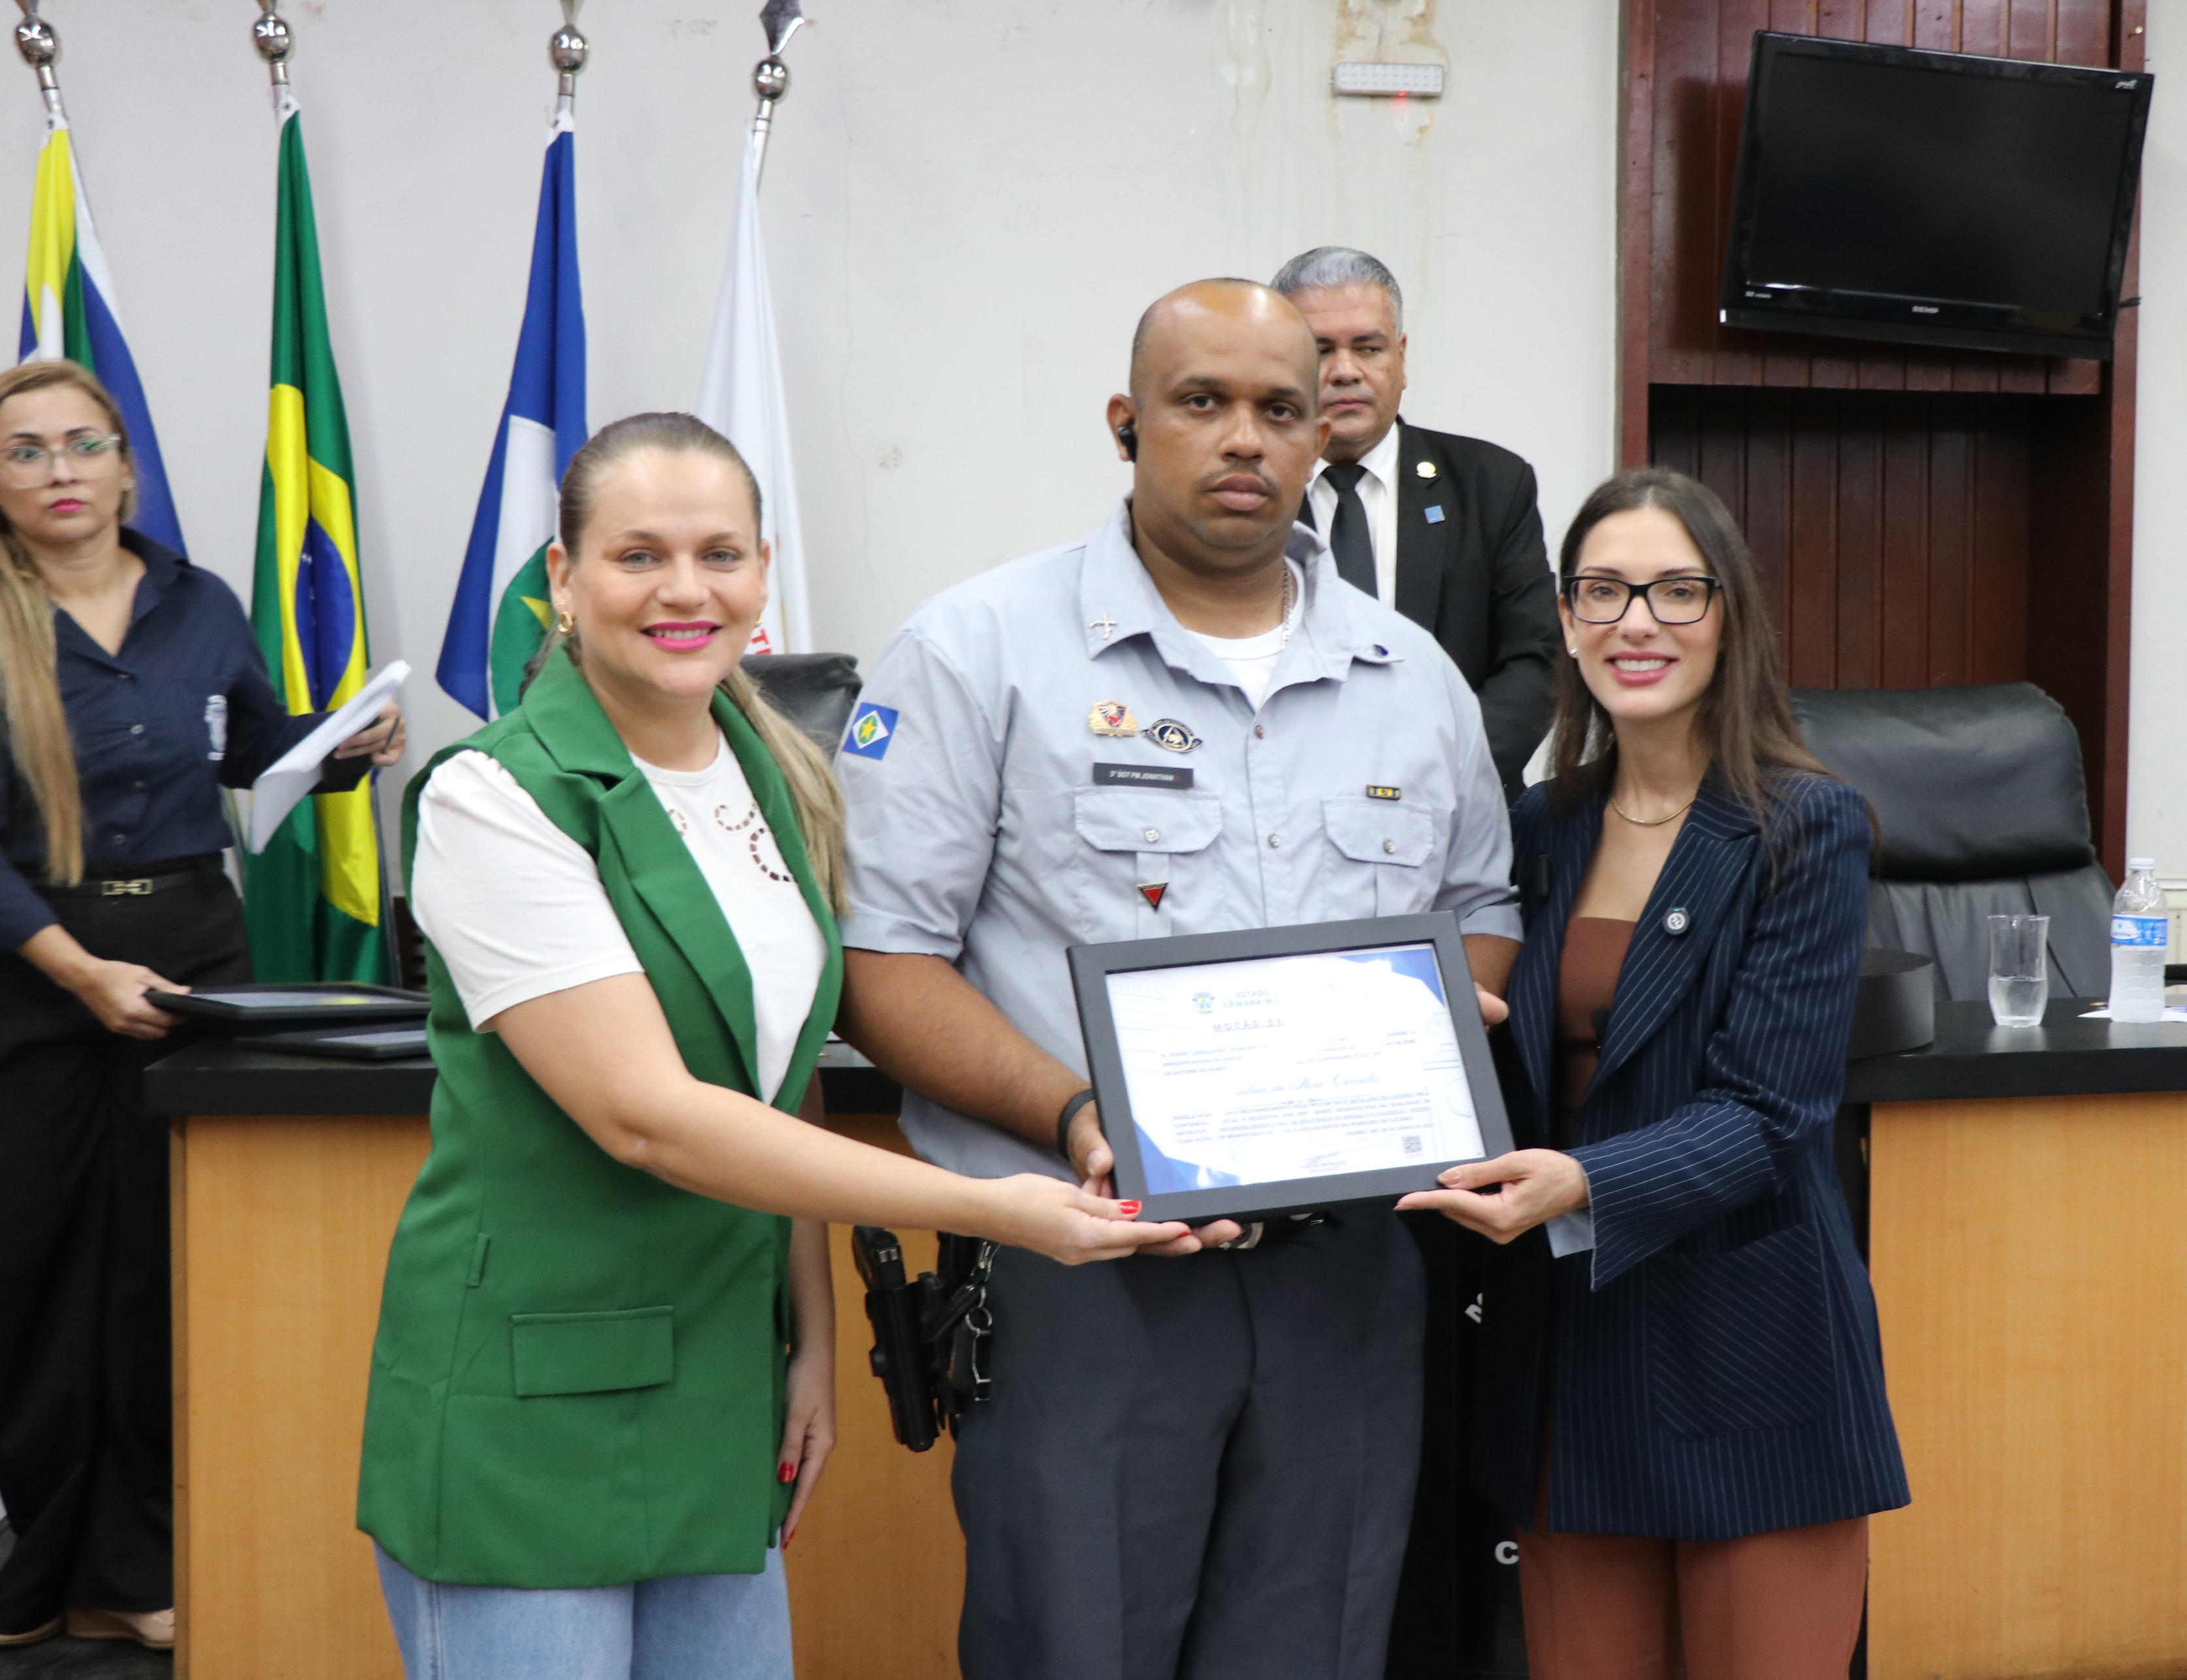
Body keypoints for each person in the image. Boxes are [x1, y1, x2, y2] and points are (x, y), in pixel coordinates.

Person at [355, 412, 1187, 1680]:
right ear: (565, 580)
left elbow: (778, 1079)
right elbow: (650, 1116)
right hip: (531, 1400)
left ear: (763, 572)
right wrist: (996, 1210)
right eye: (638, 556)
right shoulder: (497, 794)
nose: (684, 590)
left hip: (717, 1377)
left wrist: (809, 1339)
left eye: (719, 554)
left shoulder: (769, 766)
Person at [836, 278, 1520, 1680]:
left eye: (1280, 408)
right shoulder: (977, 649)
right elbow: (878, 961)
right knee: (1077, 1646)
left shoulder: (1414, 678)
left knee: (1317, 1647)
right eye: (1201, 401)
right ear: (1126, 422)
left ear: (1322, 436)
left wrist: (1426, 1036)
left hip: (1345, 1274)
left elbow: (1479, 915)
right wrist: (1082, 1114)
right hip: (1087, 1262)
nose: (1244, 439)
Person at [1400, 469, 1909, 1680]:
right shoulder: (1538, 826)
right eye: (1604, 591)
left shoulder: (1804, 824)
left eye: (1677, 590)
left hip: (1747, 1344)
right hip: (1563, 1355)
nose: (1638, 622)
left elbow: (1769, 1113)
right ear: (1567, 621)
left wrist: (1580, 1183)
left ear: (1730, 616)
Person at [0, 360, 404, 1654]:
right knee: (35, 1279)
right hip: (34, 968)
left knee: (167, 1276)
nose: (60, 471)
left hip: (193, 955)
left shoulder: (201, 602)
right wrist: (80, 971)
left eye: (83, 444)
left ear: (127, 465)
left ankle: (132, 1569)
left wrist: (336, 748)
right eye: (25, 451)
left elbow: (242, 752)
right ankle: (34, 1577)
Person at [1270, 245, 1558, 798]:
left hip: (1456, 806)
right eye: (1320, 350)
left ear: (1400, 358)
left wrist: (1428, 773)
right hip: (1286, 810)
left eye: (1368, 348)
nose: (1346, 371)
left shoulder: (1490, 484)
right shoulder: (1248, 493)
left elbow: (1535, 658)